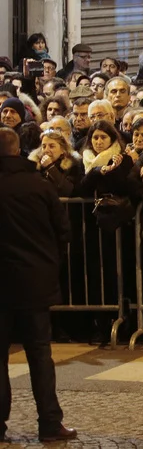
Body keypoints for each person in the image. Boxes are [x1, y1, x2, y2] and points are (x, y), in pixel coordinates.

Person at [0, 127, 77, 443]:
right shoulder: (39, 185)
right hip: (34, 282)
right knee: (40, 356)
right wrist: (49, 263)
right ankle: (49, 421)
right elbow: (63, 230)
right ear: (19, 150)